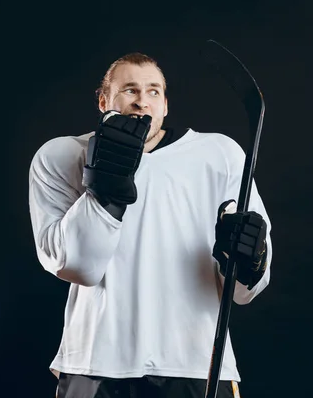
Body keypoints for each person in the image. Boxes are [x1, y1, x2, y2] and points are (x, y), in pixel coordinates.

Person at [28, 51, 273, 398]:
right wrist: (106, 183)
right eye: (130, 90)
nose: (142, 102)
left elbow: (245, 290)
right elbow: (79, 267)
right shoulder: (61, 156)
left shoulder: (220, 155)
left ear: (166, 104)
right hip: (95, 363)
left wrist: (249, 261)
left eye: (153, 91)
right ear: (103, 101)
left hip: (195, 363)